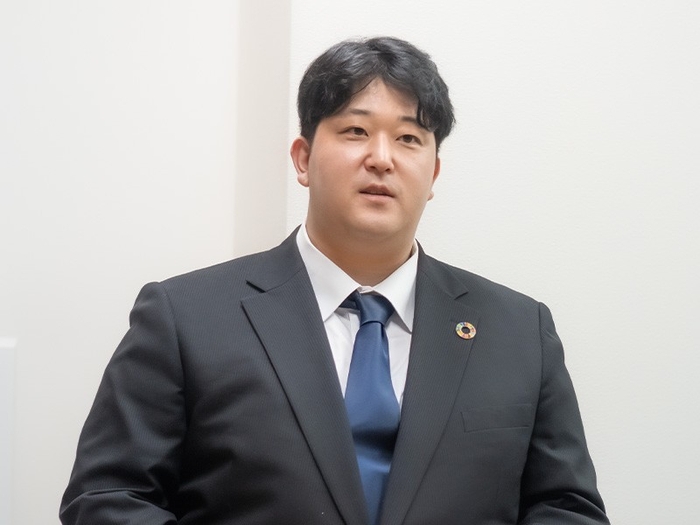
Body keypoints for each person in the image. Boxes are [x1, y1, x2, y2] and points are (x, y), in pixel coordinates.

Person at [61, 36, 609, 525]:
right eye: (355, 130)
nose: (382, 158)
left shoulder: (519, 332)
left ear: (433, 173)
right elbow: (107, 498)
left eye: (409, 138)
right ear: (303, 159)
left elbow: (566, 507)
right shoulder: (185, 316)